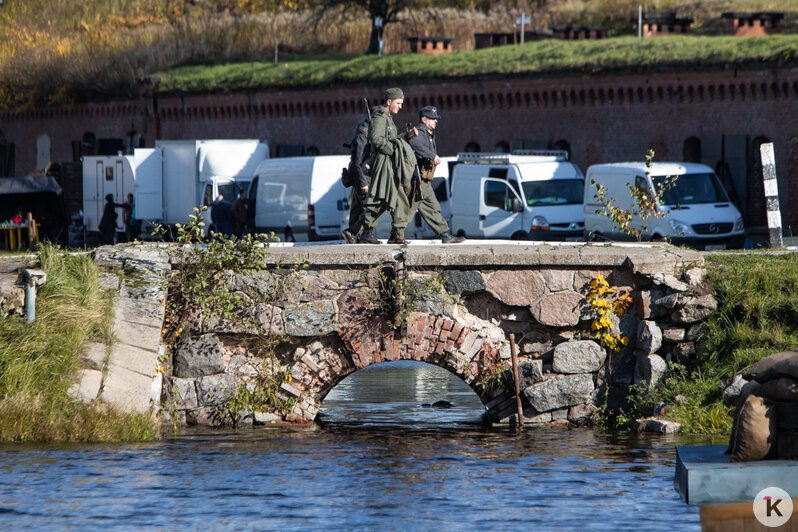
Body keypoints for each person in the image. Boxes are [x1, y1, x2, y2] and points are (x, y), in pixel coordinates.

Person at [342, 87, 418, 245]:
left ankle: (395, 234)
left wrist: (406, 136)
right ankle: (356, 231)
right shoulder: (380, 116)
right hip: (382, 166)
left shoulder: (387, 117)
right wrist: (394, 150)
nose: (401, 106)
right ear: (389, 102)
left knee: (396, 199)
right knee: (383, 200)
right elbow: (377, 140)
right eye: (398, 103)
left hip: (388, 165)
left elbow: (390, 139)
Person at [404, 105, 464, 244]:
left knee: (433, 206)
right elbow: (415, 144)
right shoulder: (420, 132)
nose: (436, 121)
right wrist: (432, 155)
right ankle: (396, 234)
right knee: (409, 210)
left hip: (424, 180)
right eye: (432, 118)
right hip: (416, 179)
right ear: (424, 119)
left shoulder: (427, 133)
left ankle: (445, 234)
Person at [341, 106, 380, 243]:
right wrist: (363, 182)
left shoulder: (370, 131)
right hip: (361, 175)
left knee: (357, 208)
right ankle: (366, 235)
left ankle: (352, 237)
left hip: (361, 174)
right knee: (370, 205)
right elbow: (357, 162)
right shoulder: (363, 133)